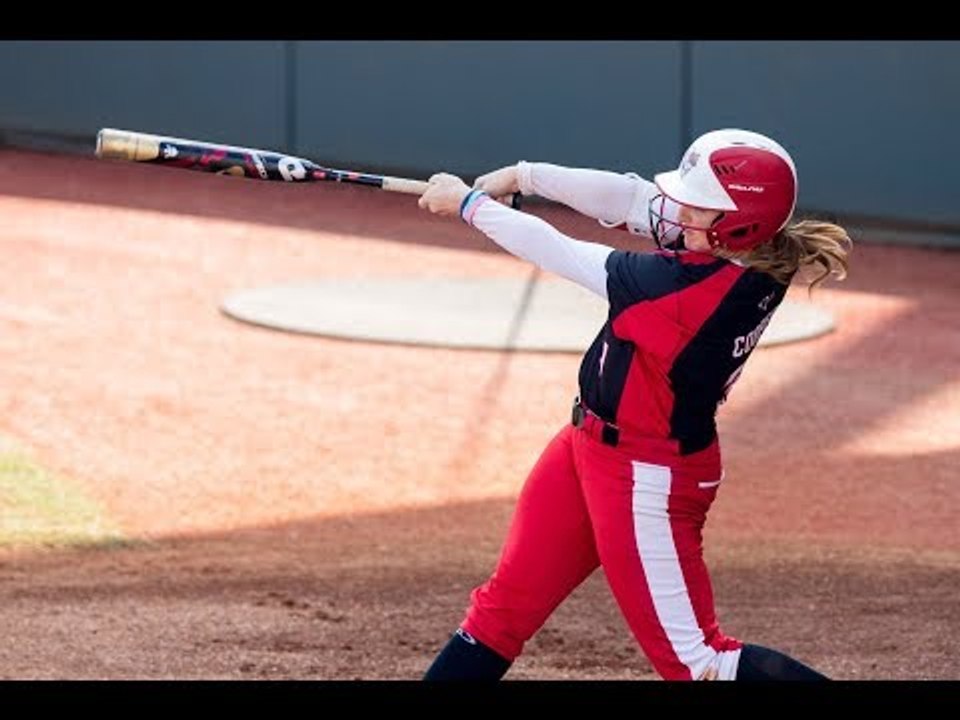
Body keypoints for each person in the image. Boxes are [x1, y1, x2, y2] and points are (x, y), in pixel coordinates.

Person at [416, 129, 852, 681]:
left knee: (700, 663)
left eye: (699, 206)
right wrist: (525, 176)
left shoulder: (687, 287)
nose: (679, 211)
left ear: (739, 222)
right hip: (584, 447)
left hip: (647, 474)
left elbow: (564, 254)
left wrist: (469, 206)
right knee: (499, 614)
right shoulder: (741, 247)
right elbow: (628, 199)